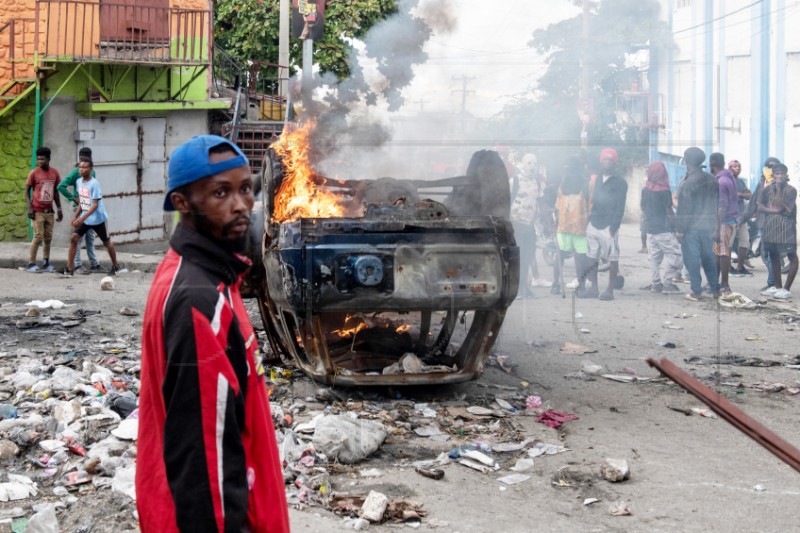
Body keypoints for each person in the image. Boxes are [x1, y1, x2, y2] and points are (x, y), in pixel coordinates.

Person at [136, 135, 290, 532]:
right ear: (183, 203)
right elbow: (204, 458)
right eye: (220, 192)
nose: (240, 205)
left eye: (244, 188)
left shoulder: (210, 276)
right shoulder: (199, 301)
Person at [577, 148, 627, 301]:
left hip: (609, 225)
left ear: (614, 162)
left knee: (612, 258)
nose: (607, 162)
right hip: (593, 223)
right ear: (600, 161)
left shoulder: (620, 182)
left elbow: (620, 206)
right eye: (605, 159)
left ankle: (610, 290)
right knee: (592, 257)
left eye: (610, 160)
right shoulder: (595, 180)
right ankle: (594, 288)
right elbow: (587, 199)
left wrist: (614, 226)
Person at [62, 159, 121, 276]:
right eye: (80, 167)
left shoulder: (94, 184)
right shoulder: (79, 182)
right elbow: (82, 202)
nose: (81, 169)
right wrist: (75, 216)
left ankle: (115, 266)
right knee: (74, 238)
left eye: (84, 167)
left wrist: (81, 219)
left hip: (98, 219)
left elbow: (94, 205)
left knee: (107, 243)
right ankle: (70, 269)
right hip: (86, 218)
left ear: (90, 169)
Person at [675, 147, 719, 301]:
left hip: (692, 228)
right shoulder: (712, 179)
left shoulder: (688, 183)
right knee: (709, 258)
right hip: (708, 226)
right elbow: (716, 204)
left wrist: (680, 230)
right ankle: (715, 290)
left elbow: (684, 209)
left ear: (686, 161)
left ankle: (696, 291)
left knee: (691, 260)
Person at [57, 147, 101, 274]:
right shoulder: (76, 172)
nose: (83, 162)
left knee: (90, 238)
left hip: (90, 210)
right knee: (78, 238)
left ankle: (94, 264)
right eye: (82, 158)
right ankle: (76, 265)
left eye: (86, 158)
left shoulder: (92, 173)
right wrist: (74, 199)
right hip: (80, 210)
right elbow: (61, 186)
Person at [510, 153, 550, 294]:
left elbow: (541, 203)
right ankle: (516, 289)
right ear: (522, 164)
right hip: (515, 225)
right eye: (528, 163)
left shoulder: (537, 183)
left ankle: (524, 287)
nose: (532, 166)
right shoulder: (514, 181)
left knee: (527, 256)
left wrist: (548, 224)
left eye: (534, 163)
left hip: (529, 226)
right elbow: (506, 202)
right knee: (516, 258)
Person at [740, 157, 781, 291]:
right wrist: (741, 220)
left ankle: (774, 284)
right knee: (770, 255)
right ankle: (772, 283)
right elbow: (752, 204)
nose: (771, 171)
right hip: (764, 224)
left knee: (773, 255)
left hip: (777, 224)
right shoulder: (762, 184)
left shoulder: (782, 186)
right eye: (769, 167)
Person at [640, 161, 682, 294]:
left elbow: (642, 208)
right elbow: (669, 211)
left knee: (654, 258)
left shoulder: (645, 189)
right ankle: (668, 284)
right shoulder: (664, 190)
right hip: (664, 229)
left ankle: (655, 284)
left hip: (651, 230)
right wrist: (676, 227)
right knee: (676, 256)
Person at [757, 163, 797, 299]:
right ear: (773, 175)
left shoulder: (791, 190)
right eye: (777, 174)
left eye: (782, 174)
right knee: (774, 256)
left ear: (786, 175)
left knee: (792, 257)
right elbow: (759, 205)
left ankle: (786, 288)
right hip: (771, 228)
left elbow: (784, 207)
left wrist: (779, 189)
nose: (779, 176)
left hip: (786, 229)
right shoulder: (767, 190)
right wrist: (772, 210)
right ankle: (778, 287)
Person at [550, 156, 589, 295]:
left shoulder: (563, 182)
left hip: (563, 226)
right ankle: (581, 286)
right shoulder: (584, 182)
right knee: (580, 257)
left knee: (560, 256)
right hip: (580, 226)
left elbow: (556, 206)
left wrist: (555, 223)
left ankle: (555, 285)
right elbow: (589, 203)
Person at [25, 147, 63, 272]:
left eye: (43, 159)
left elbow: (56, 192)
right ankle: (31, 264)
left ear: (49, 159)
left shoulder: (54, 173)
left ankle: (46, 263)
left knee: (48, 238)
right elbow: (26, 191)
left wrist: (59, 208)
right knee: (37, 237)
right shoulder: (34, 173)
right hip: (37, 212)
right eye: (38, 159)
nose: (40, 161)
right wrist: (29, 207)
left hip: (49, 212)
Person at [710, 152, 739, 295]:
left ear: (712, 164)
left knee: (723, 252)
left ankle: (724, 285)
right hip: (729, 220)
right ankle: (715, 283)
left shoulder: (721, 181)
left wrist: (716, 226)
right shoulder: (729, 177)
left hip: (724, 220)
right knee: (718, 252)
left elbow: (722, 206)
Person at [729, 159, 754, 276]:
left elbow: (749, 195)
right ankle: (728, 267)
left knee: (745, 242)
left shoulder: (740, 182)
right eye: (734, 166)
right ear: (729, 168)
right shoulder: (725, 181)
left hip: (741, 217)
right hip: (729, 217)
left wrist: (739, 194)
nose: (737, 168)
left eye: (739, 166)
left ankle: (740, 266)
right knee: (728, 243)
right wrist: (741, 195)